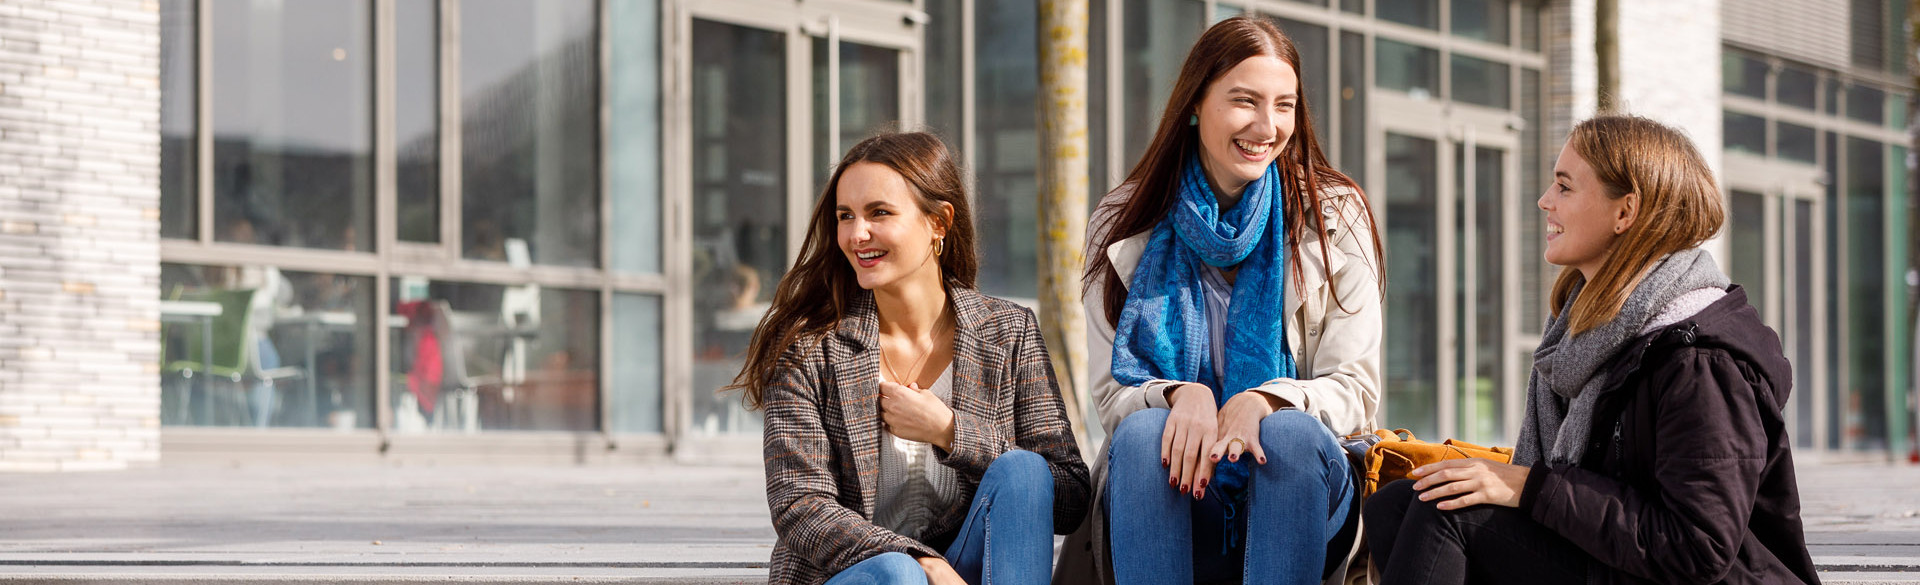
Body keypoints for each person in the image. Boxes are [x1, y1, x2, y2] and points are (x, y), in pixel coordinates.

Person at [1360, 114, 1820, 585]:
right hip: (1618, 565)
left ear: (1625, 212)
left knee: (1449, 515)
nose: (1544, 202)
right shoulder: (1584, 332)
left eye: (1564, 187)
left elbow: (1699, 547)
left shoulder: (1698, 361)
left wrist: (1535, 488)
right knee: (1402, 501)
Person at [1060, 15, 1385, 585]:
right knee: (1140, 432)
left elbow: (1355, 389)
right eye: (1245, 101)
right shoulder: (1123, 222)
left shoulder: (1335, 215)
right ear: (1194, 104)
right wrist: (1179, 396)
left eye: (1284, 105)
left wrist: (1265, 400)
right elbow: (1113, 397)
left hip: (1303, 487)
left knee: (1284, 434)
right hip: (1173, 484)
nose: (1267, 125)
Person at [737, 131, 1092, 585]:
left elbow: (1069, 495)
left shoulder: (1008, 333)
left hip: (971, 570)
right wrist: (918, 560)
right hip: (862, 576)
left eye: (878, 213)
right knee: (898, 574)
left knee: (1024, 470)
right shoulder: (809, 348)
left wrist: (949, 431)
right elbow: (800, 506)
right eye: (846, 216)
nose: (856, 234)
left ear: (939, 222)